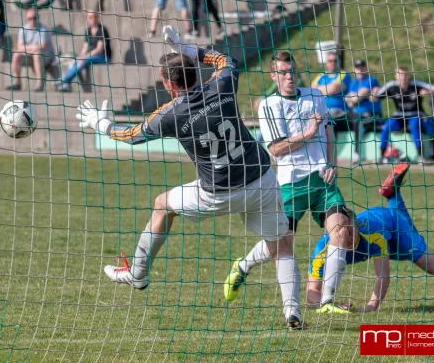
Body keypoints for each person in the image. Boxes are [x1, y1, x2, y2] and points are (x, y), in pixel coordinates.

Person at [76, 26, 305, 329]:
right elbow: (226, 60)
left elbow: (131, 135)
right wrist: (188, 48)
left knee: (162, 205)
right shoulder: (221, 84)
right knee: (281, 247)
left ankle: (139, 274)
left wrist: (101, 124)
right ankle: (293, 312)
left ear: (169, 83)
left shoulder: (170, 114)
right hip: (260, 180)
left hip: (216, 193)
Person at [223, 51, 353, 315]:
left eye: (292, 70)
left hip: (322, 181)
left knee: (342, 230)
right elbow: (277, 149)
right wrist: (308, 133)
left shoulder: (315, 96)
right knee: (281, 247)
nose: (289, 76)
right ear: (274, 76)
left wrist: (331, 164)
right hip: (290, 185)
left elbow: (328, 131)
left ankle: (326, 301)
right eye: (283, 72)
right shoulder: (269, 105)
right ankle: (243, 266)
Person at [307, 163, 434, 312]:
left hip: (393, 228)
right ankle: (392, 194)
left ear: (357, 224)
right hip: (387, 222)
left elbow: (383, 276)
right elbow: (312, 291)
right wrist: (327, 304)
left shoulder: (373, 235)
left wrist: (370, 307)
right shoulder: (323, 249)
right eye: (343, 232)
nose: (348, 236)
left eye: (351, 230)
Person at [376, 66, 434, 163]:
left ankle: (421, 156)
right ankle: (382, 156)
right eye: (400, 75)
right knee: (386, 127)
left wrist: (427, 92)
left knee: (414, 124)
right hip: (399, 115)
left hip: (415, 114)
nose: (403, 78)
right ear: (396, 76)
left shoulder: (416, 84)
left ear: (408, 76)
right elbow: (376, 96)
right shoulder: (392, 86)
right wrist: (373, 93)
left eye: (405, 75)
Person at [312, 51, 362, 163]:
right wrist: (327, 89)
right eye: (330, 61)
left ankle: (357, 153)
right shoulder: (320, 76)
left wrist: (322, 89)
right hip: (324, 113)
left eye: (335, 60)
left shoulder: (344, 74)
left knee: (357, 118)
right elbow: (312, 91)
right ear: (326, 63)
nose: (333, 63)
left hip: (341, 113)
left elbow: (334, 89)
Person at [56, 11, 111, 92]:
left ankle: (65, 79)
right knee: (76, 61)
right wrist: (80, 57)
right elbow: (85, 47)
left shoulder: (102, 30)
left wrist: (85, 57)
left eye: (94, 17)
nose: (92, 19)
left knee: (84, 60)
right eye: (90, 17)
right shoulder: (88, 30)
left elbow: (99, 49)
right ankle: (67, 83)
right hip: (92, 56)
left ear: (97, 18)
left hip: (104, 57)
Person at [7, 8, 56, 92]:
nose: (32, 20)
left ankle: (40, 83)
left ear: (38, 18)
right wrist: (33, 47)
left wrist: (27, 48)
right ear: (27, 19)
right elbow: (20, 47)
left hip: (46, 57)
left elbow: (42, 46)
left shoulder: (44, 29)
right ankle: (17, 82)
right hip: (31, 55)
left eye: (34, 18)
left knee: (37, 54)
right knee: (16, 55)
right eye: (30, 18)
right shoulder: (23, 29)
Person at [345, 59, 381, 163]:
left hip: (372, 115)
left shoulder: (371, 80)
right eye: (357, 68)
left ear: (366, 68)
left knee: (357, 120)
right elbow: (349, 102)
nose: (360, 70)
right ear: (354, 70)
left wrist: (355, 98)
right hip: (357, 113)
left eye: (362, 67)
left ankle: (357, 153)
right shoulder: (354, 82)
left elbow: (355, 99)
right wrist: (355, 98)